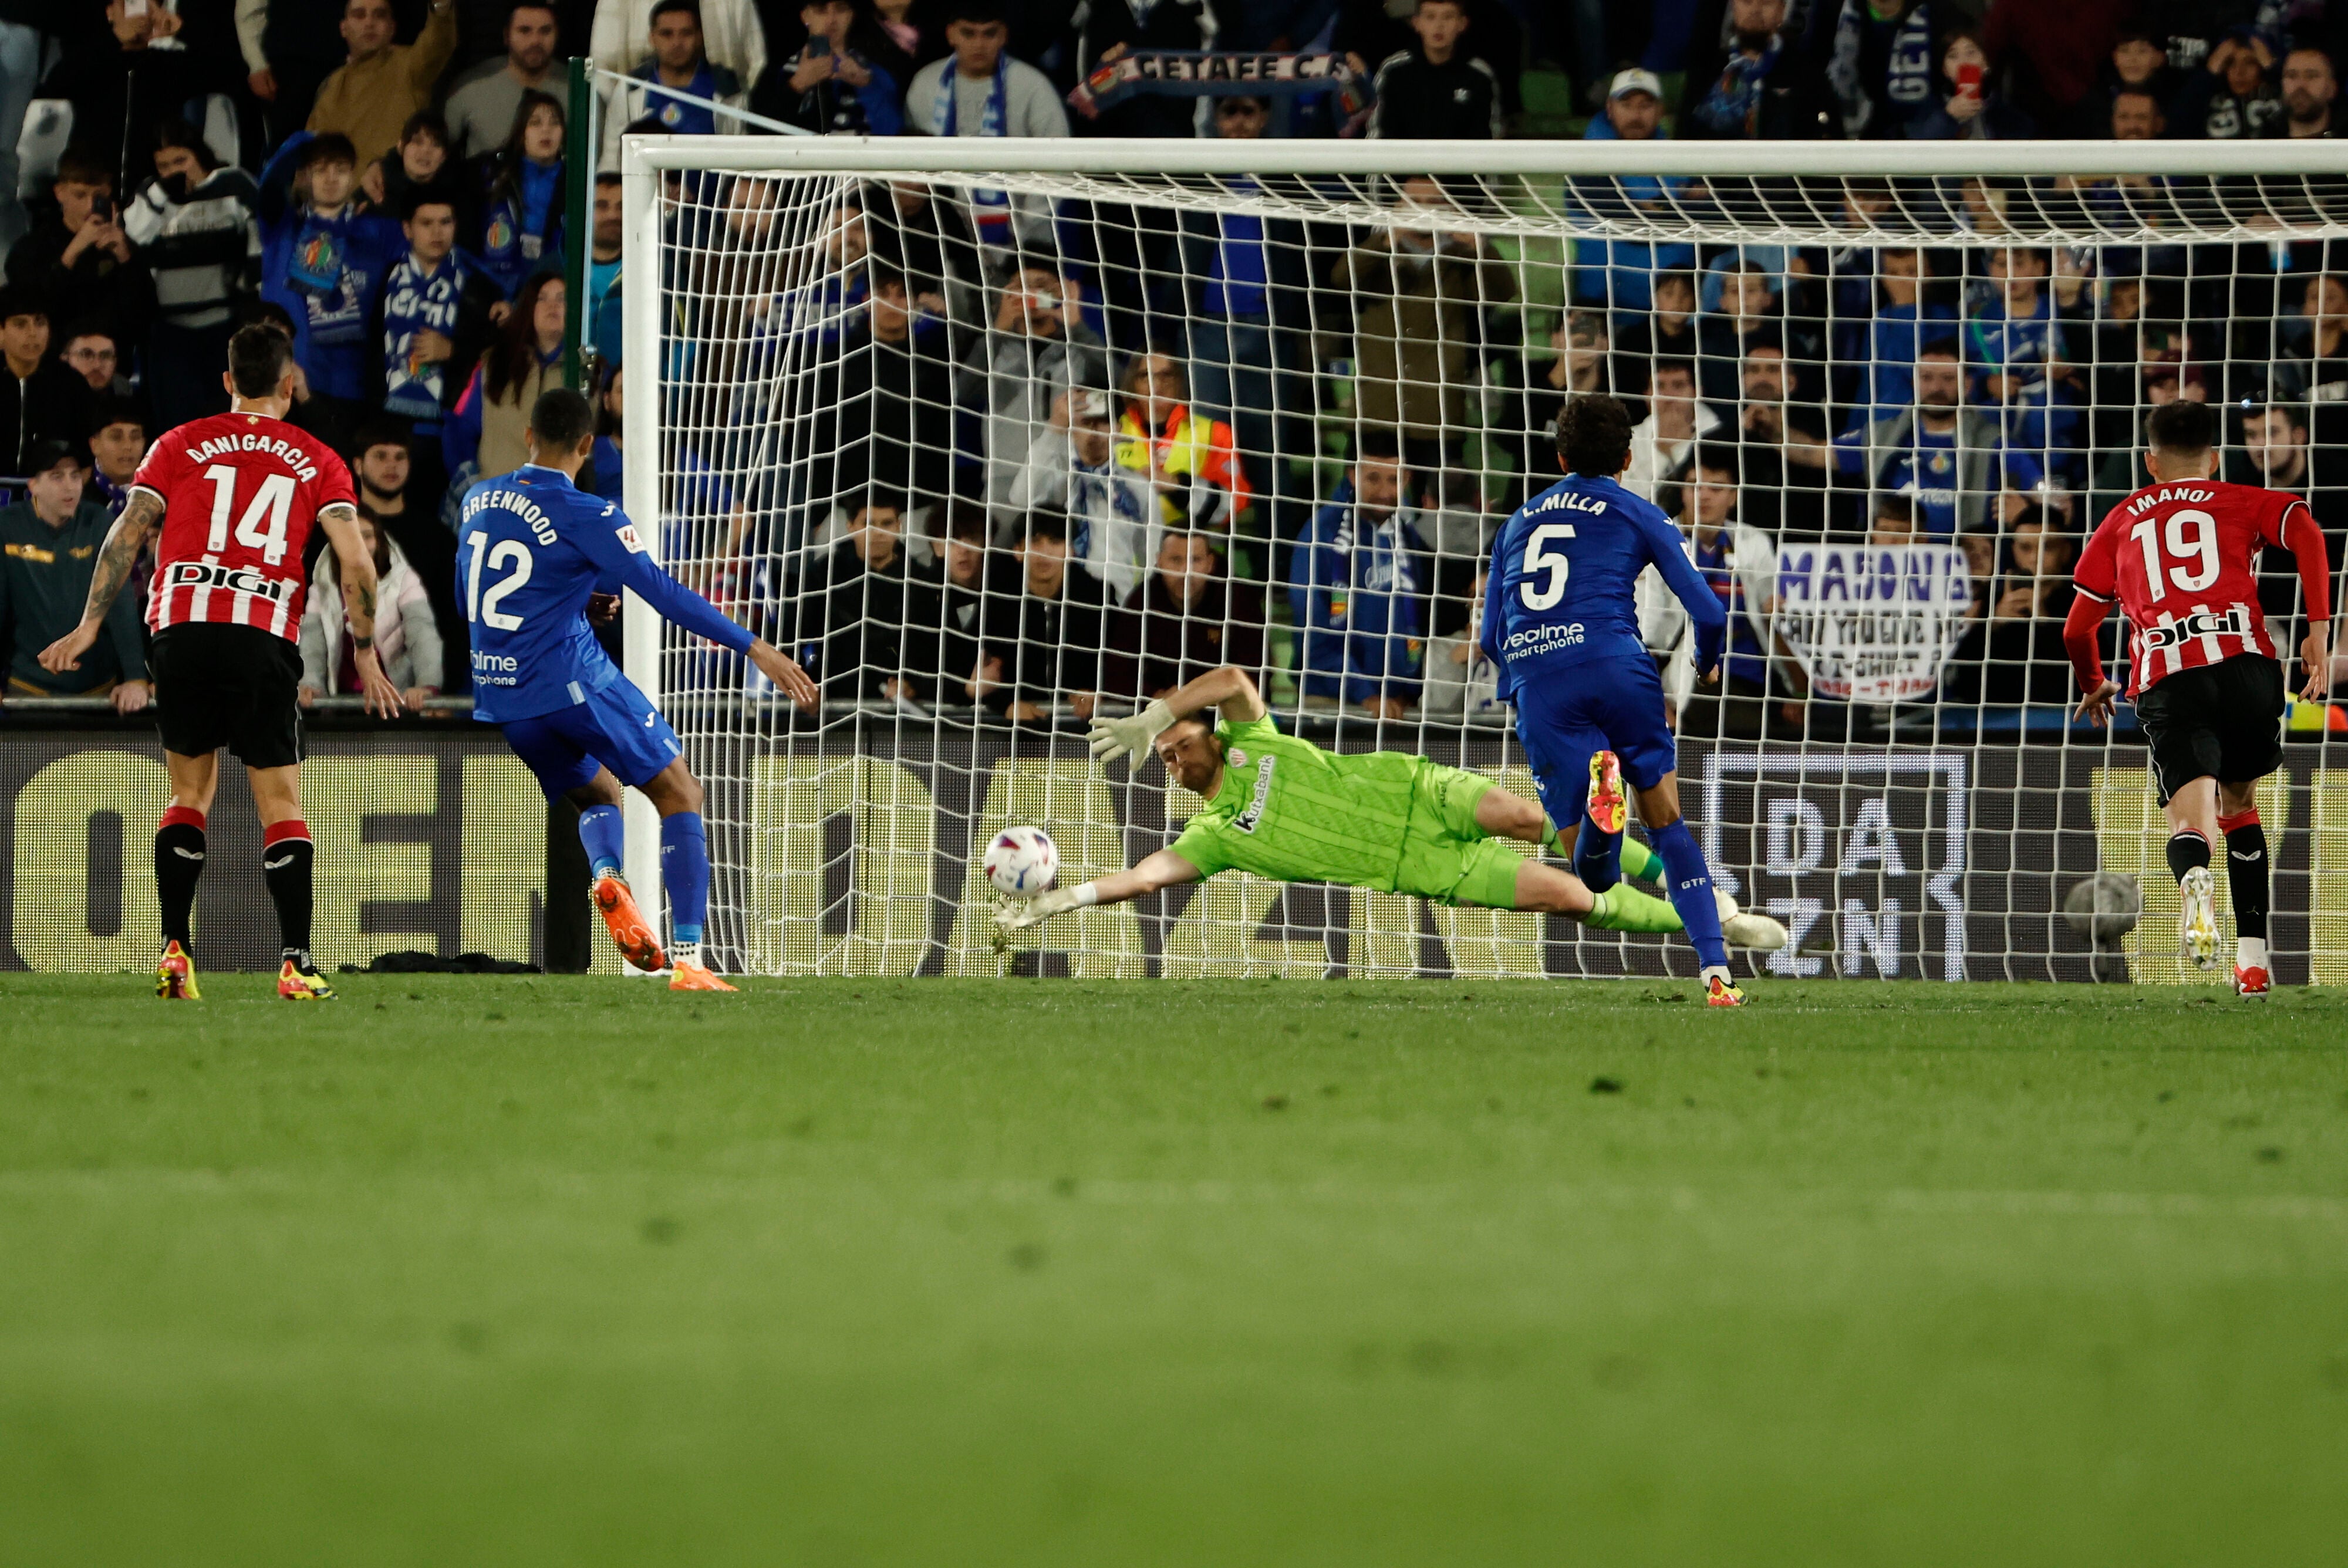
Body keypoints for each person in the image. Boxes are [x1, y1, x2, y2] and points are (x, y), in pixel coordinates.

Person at [36, 323, 402, 1002]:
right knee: (280, 802)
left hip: (180, 626)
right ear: (288, 386)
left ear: (229, 382)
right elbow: (356, 560)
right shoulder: (318, 458)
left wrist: (90, 623)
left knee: (188, 795)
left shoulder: (179, 442)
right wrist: (363, 649)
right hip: (261, 630)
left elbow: (128, 530)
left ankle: (176, 950)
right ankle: (295, 961)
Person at [1003, 665, 1781, 959]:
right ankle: (1708, 924)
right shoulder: (1214, 837)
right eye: (1163, 757)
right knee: (1577, 897)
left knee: (1525, 815)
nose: (1171, 758)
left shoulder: (1251, 737)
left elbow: (1234, 676)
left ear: (1207, 734)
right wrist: (1064, 898)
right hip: (1425, 867)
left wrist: (1155, 711)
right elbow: (1146, 877)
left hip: (1414, 788)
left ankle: (1696, 890)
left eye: (1177, 744)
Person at [456, 386, 818, 989]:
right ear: (587, 445)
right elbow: (663, 594)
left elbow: (474, 590)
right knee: (681, 791)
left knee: (600, 792)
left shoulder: (477, 498)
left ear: (528, 437)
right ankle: (691, 960)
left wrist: (574, 597)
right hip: (570, 681)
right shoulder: (590, 513)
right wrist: (754, 645)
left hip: (503, 698)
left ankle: (605, 872)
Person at [1483, 394, 1753, 1008]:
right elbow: (1709, 610)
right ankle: (1716, 973)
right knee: (1667, 824)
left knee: (1592, 873)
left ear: (1558, 454)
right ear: (1629, 457)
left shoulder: (1516, 522)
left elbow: (1487, 638)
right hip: (1617, 665)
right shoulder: (1640, 511)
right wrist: (1704, 663)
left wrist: (1527, 679)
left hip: (1541, 681)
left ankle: (1604, 816)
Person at [2066, 399, 2333, 998]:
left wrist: (2092, 683)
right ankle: (2253, 965)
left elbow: (2074, 628)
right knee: (2240, 805)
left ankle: (2194, 881)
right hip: (2246, 663)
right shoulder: (2240, 498)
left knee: (2191, 821)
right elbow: (2308, 534)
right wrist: (2317, 632)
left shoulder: (2121, 518)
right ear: (2214, 458)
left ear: (2150, 461)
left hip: (2171, 670)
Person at [257, 133, 403, 447]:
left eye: (340, 169)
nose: (331, 178)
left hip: (350, 387)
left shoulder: (376, 231)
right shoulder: (281, 229)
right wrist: (301, 143)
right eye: (321, 169)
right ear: (306, 174)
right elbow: (269, 186)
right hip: (285, 383)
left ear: (354, 175)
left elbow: (435, 244)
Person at [123, 122, 262, 432]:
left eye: (181, 161)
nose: (174, 171)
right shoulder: (152, 195)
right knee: (177, 428)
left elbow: (261, 243)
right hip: (172, 334)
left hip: (225, 328)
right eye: (164, 166)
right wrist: (162, 193)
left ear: (199, 155)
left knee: (226, 424)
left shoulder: (234, 185)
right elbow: (135, 235)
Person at [902, 0, 1069, 251]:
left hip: (1026, 241)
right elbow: (909, 165)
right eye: (968, 34)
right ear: (951, 34)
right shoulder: (925, 85)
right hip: (939, 237)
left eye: (989, 34)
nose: (979, 44)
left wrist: (1022, 230)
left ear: (1004, 35)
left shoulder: (1034, 87)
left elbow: (1058, 167)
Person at [0, 441, 149, 709]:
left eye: (75, 476)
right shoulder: (7, 527)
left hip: (99, 689)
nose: (70, 486)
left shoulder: (101, 523)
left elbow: (120, 603)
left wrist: (136, 677)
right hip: (27, 687)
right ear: (33, 485)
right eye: (57, 477)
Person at [1289, 441, 1429, 721]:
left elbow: (1419, 617)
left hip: (1396, 706)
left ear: (1407, 479)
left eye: (1394, 480)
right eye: (1373, 479)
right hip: (1332, 701)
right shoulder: (1322, 533)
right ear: (1352, 476)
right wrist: (1364, 693)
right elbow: (1312, 631)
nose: (1384, 493)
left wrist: (1408, 690)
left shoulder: (1408, 535)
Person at [5, 148, 150, 347]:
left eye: (98, 196)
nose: (90, 206)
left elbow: (144, 319)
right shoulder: (31, 249)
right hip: (55, 365)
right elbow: (32, 316)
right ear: (60, 193)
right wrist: (71, 255)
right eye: (80, 195)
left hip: (110, 363)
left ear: (109, 192)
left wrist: (126, 260)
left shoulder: (124, 248)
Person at [300, 510, 440, 712]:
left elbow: (422, 633)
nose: (360, 544)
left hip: (394, 701)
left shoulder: (404, 580)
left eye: (367, 536)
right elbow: (312, 643)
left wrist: (427, 685)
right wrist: (311, 684)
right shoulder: (322, 586)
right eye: (352, 536)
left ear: (379, 540)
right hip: (343, 705)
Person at [1106, 528, 1265, 701]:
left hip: (1226, 709)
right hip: (1162, 710)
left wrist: (1192, 699)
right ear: (1159, 562)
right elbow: (1118, 673)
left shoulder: (1239, 601)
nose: (1186, 572)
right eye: (1176, 560)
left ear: (1210, 563)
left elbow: (1255, 675)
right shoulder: (1142, 602)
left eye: (1195, 560)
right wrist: (1155, 695)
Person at [981, 512, 1111, 721]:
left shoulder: (1097, 597)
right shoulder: (996, 599)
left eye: (1055, 542)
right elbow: (971, 669)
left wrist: (1095, 690)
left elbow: (1119, 662)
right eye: (1035, 542)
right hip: (1017, 726)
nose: (1045, 552)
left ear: (1071, 551)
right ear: (1018, 551)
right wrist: (1006, 704)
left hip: (1080, 724)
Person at [446, 272, 568, 485]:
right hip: (498, 501)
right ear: (528, 307)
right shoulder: (493, 363)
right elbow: (459, 427)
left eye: (562, 299)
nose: (553, 306)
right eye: (542, 298)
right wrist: (470, 483)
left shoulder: (590, 371)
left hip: (559, 506)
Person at [307, 0, 460, 168]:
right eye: (359, 15)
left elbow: (439, 40)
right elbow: (309, 153)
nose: (369, 23)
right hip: (336, 189)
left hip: (392, 189)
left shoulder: (410, 66)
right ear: (343, 28)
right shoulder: (332, 84)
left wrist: (441, 6)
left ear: (392, 28)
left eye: (379, 15)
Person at [800, 494, 922, 702]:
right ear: (851, 526)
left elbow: (933, 650)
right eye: (868, 523)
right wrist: (804, 685)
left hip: (898, 708)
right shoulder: (823, 576)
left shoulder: (920, 580)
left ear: (899, 526)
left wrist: (915, 684)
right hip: (831, 700)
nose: (878, 532)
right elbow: (790, 637)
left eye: (887, 523)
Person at [599, 0, 751, 166]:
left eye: (686, 33)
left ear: (700, 37)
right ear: (652, 38)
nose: (677, 43)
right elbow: (612, 159)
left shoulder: (728, 89)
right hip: (649, 192)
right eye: (667, 34)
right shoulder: (630, 89)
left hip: (714, 192)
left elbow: (742, 160)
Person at [755, 0, 908, 136]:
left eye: (841, 9)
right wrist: (797, 86)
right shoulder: (778, 73)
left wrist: (867, 87)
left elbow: (895, 136)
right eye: (821, 10)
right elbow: (756, 134)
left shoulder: (875, 73)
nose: (831, 20)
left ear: (852, 15)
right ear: (805, 16)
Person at [443, 2, 569, 160]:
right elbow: (442, 155)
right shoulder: (469, 89)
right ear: (506, 36)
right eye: (525, 31)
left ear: (557, 35)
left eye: (545, 31)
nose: (536, 41)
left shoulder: (577, 90)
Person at [474, 92, 569, 299]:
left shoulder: (577, 181)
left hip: (555, 290)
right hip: (497, 291)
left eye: (555, 123)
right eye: (535, 123)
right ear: (521, 133)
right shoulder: (493, 175)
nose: (546, 130)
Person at [1367, 0, 1504, 141]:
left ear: (1462, 24)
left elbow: (1490, 139)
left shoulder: (1480, 76)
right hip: (1403, 162)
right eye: (1430, 17)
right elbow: (1378, 133)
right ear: (1417, 23)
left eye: (1448, 17)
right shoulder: (1393, 71)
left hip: (1462, 162)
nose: (1439, 26)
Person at [1681, 0, 1820, 140]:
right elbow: (1684, 134)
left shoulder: (1805, 74)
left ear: (1781, 12)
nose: (1755, 10)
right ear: (1734, 7)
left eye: (1766, 3)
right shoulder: (1708, 69)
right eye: (1747, 2)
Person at [0, 286, 95, 475]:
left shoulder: (71, 384)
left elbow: (87, 459)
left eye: (40, 323)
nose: (33, 333)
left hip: (53, 497)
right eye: (21, 324)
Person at [85, 397, 146, 517]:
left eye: (136, 437)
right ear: (94, 445)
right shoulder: (77, 501)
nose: (128, 446)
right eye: (116, 437)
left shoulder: (160, 499)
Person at [2262, 45, 2338, 139]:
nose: (2300, 85)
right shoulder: (2262, 143)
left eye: (2311, 76)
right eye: (2292, 76)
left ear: (2332, 88)